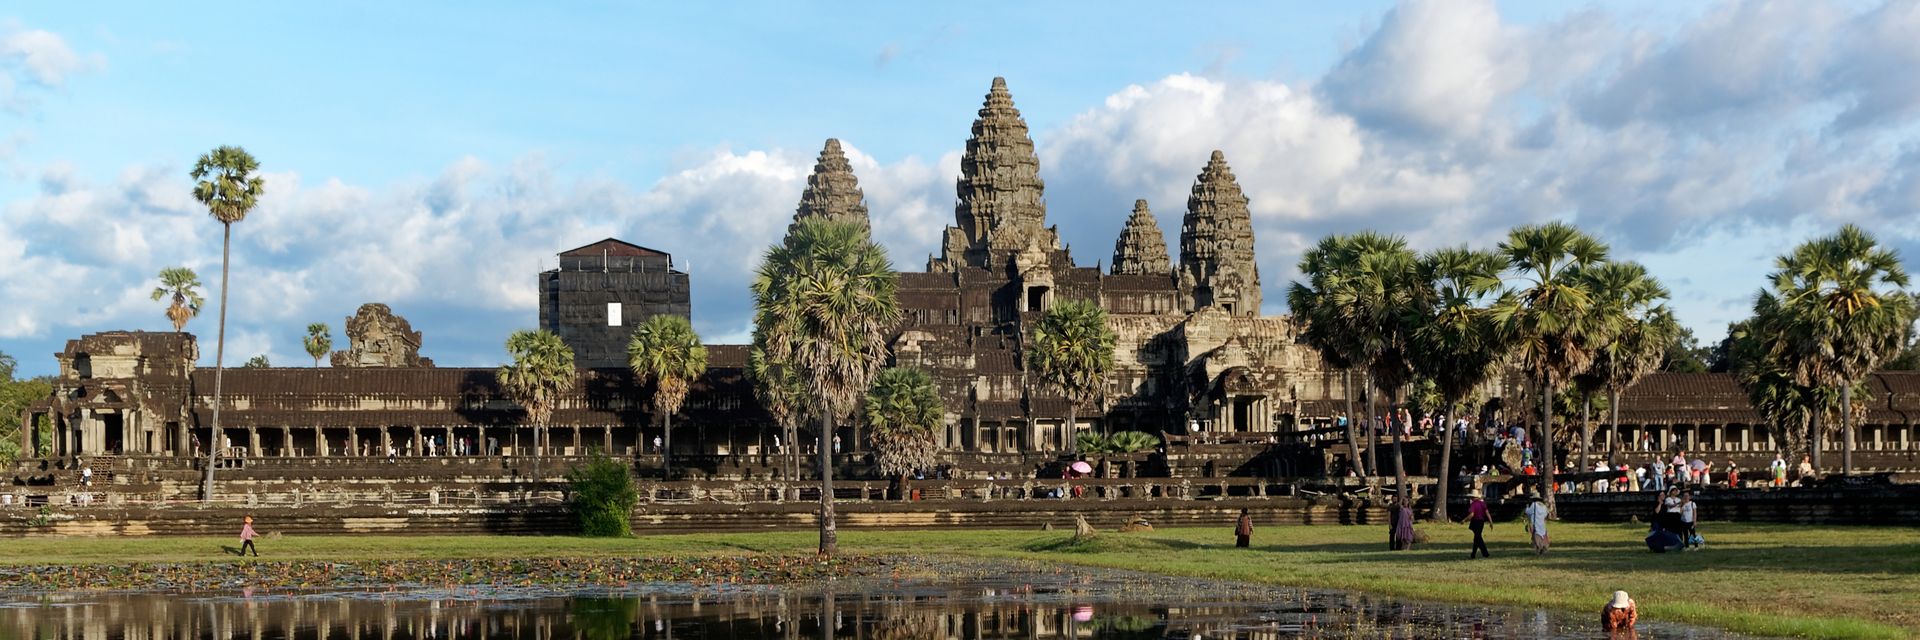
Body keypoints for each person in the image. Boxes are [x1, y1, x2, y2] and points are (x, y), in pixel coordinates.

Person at [1466, 493, 1492, 559]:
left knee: (1478, 538)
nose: (1470, 499)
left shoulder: (1473, 504)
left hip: (1475, 522)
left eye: (1471, 497)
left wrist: (1464, 520)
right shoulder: (1483, 504)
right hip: (1481, 522)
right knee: (1477, 538)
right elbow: (1487, 513)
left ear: (1474, 497)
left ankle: (1485, 554)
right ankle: (1473, 555)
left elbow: (1471, 514)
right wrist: (1491, 522)